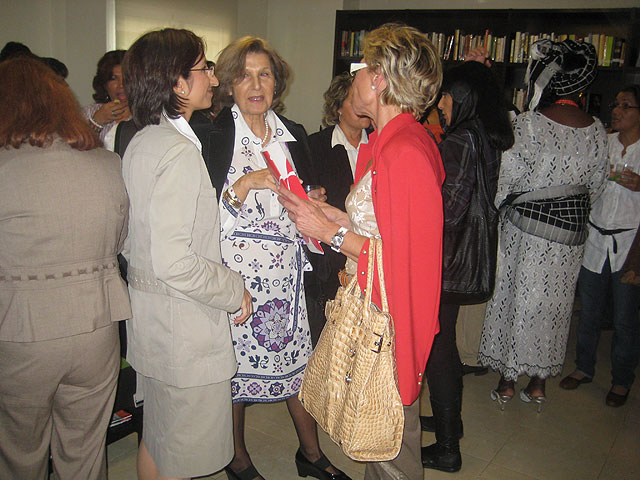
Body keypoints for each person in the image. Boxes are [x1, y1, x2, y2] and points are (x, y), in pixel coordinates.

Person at [279, 23, 444, 480]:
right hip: (377, 308)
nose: (355, 75)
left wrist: (330, 233)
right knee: (377, 435)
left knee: (391, 442)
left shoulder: (405, 151)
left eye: (363, 67)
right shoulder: (390, 141)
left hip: (390, 320)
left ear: (380, 79)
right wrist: (332, 217)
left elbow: (403, 262)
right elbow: (386, 229)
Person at [192, 36, 348, 480]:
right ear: (228, 84)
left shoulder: (293, 133)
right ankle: (236, 458)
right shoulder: (212, 135)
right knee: (235, 372)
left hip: (287, 276)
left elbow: (305, 200)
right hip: (236, 278)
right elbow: (201, 218)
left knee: (298, 366)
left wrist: (315, 201)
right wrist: (244, 185)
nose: (256, 85)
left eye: (264, 75)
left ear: (277, 83)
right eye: (244, 75)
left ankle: (310, 454)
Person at [121, 29, 253, 480]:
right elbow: (174, 260)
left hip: (152, 322)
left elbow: (130, 241)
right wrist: (234, 289)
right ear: (177, 81)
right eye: (204, 68)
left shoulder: (142, 141)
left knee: (159, 438)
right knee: (185, 455)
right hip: (184, 332)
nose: (213, 79)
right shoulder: (177, 152)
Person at [0, 57, 131, 479]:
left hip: (21, 332)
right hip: (98, 329)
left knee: (20, 454)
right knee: (85, 451)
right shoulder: (107, 164)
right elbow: (120, 243)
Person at [479, 39, 609, 410]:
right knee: (555, 307)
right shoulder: (597, 130)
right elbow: (597, 186)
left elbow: (507, 178)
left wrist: (495, 209)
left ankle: (507, 380)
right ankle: (538, 384)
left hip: (526, 232)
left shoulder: (529, 124)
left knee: (517, 300)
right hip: (570, 237)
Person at [421, 61, 514, 473]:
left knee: (438, 348)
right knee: (444, 346)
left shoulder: (460, 139)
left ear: (459, 97)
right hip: (464, 260)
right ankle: (450, 424)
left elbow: (448, 211)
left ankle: (447, 448)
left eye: (443, 96)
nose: (439, 105)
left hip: (447, 261)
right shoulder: (484, 135)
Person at [560, 84, 640, 408]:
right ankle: (583, 367)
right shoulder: (604, 143)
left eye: (626, 105)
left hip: (629, 242)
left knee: (624, 318)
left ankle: (621, 379)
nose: (616, 111)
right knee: (589, 311)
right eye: (615, 105)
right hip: (595, 236)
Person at [305, 72, 370, 346]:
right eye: (354, 100)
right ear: (338, 107)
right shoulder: (315, 145)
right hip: (330, 255)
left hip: (369, 248)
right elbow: (306, 195)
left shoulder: (380, 144)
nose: (362, 107)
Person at [83, 50, 131, 149]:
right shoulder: (88, 113)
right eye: (114, 79)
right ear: (105, 84)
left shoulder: (148, 116)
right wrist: (96, 123)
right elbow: (76, 152)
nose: (121, 85)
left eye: (126, 78)